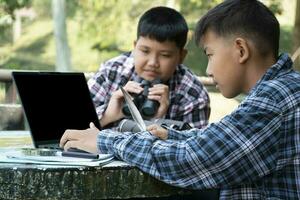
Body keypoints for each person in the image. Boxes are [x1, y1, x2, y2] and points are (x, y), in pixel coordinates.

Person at [60, 0, 300, 199]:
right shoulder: (281, 91)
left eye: (210, 54)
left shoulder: (272, 102)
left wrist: (105, 141)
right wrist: (172, 134)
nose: (208, 69)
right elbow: (216, 139)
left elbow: (194, 160)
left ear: (240, 50)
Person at [88, 6, 210, 129]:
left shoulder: (193, 95)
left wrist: (159, 121)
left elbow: (192, 146)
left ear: (181, 56)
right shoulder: (111, 72)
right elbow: (71, 131)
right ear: (135, 46)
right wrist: (108, 116)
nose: (153, 62)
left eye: (165, 55)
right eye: (145, 51)